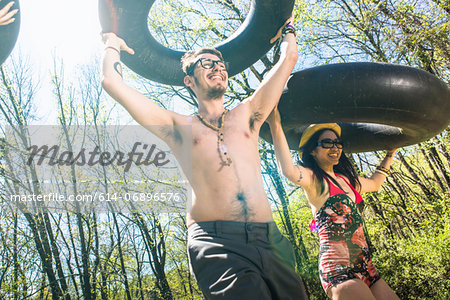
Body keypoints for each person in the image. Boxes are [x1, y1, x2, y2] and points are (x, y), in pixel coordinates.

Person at [101, 16, 308, 299]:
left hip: (271, 240)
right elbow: (112, 83)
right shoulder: (177, 127)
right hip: (217, 243)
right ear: (189, 80)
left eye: (220, 64)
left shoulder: (248, 114)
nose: (218, 68)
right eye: (207, 63)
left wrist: (287, 27)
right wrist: (112, 45)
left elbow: (289, 59)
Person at [267, 107, 400, 300]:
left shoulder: (347, 180)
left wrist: (390, 154)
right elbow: (288, 170)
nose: (335, 148)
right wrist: (275, 124)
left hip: (366, 267)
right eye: (327, 143)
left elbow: (375, 183)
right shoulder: (313, 180)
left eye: (338, 143)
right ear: (313, 150)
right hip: (337, 269)